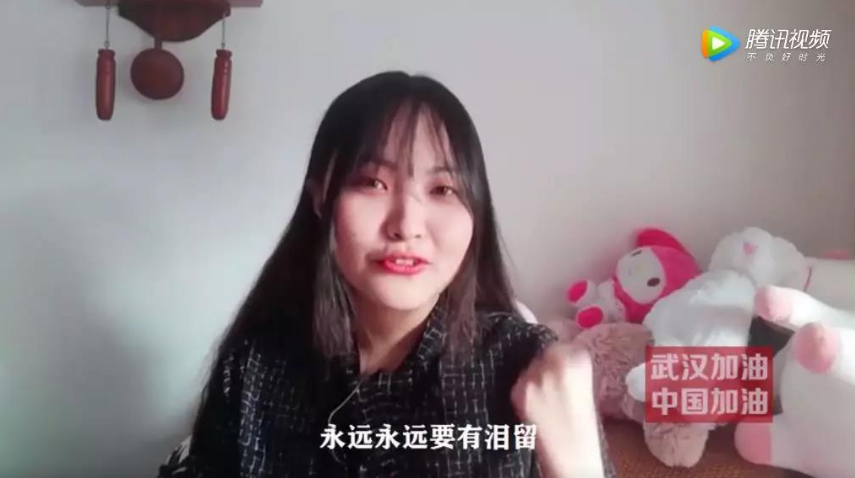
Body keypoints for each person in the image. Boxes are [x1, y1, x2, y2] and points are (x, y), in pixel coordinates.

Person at [157, 71, 615, 478]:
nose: (406, 225)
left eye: (443, 189)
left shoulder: (530, 368)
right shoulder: (255, 366)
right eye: (373, 183)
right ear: (321, 199)